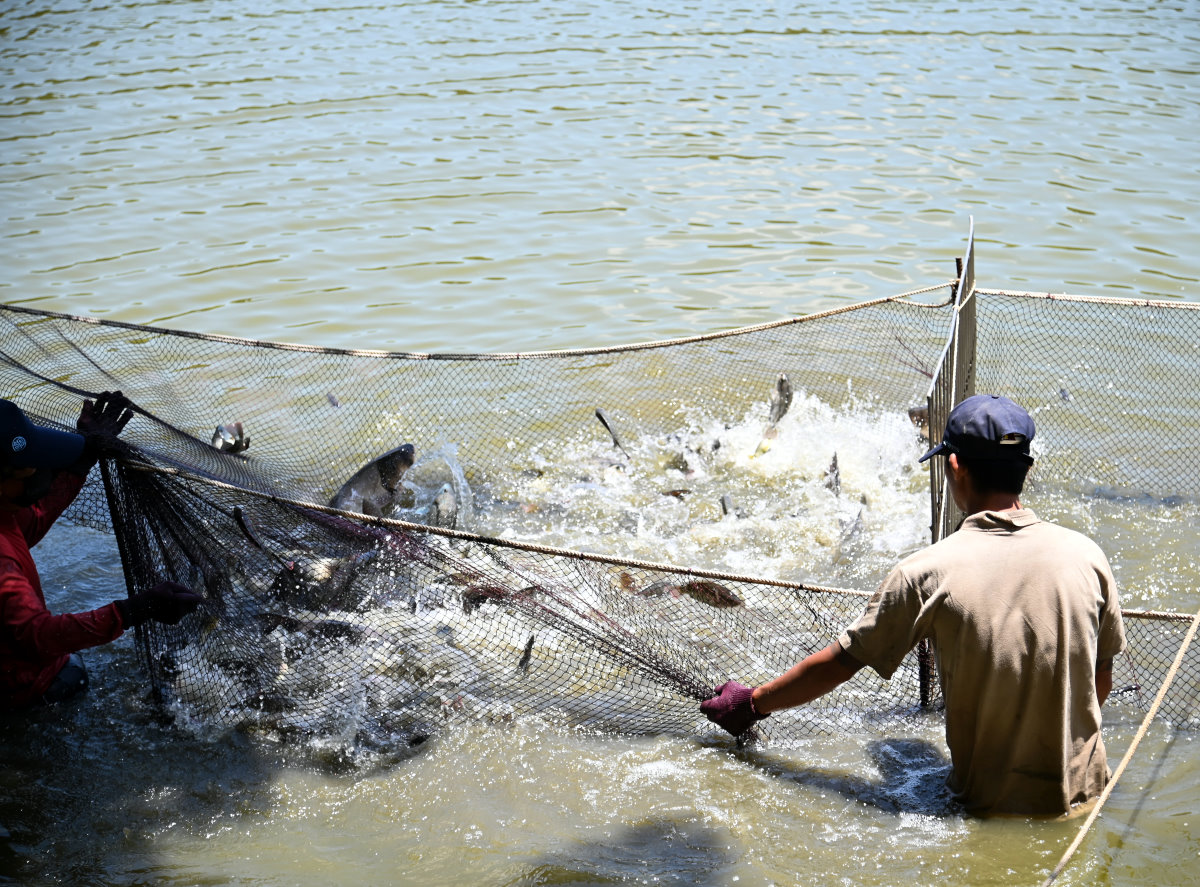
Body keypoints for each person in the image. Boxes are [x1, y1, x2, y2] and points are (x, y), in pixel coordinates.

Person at [701, 394, 1126, 817]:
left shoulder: (925, 572)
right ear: (1027, 469)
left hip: (985, 812)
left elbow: (838, 664)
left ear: (954, 467)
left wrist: (751, 703)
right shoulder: (1088, 556)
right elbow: (1099, 679)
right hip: (1087, 801)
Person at [1, 393, 203, 710]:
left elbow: (31, 525)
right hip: (24, 691)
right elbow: (38, 635)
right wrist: (135, 609)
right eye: (31, 465)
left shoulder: (5, 515)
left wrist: (82, 457)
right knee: (74, 676)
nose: (43, 468)